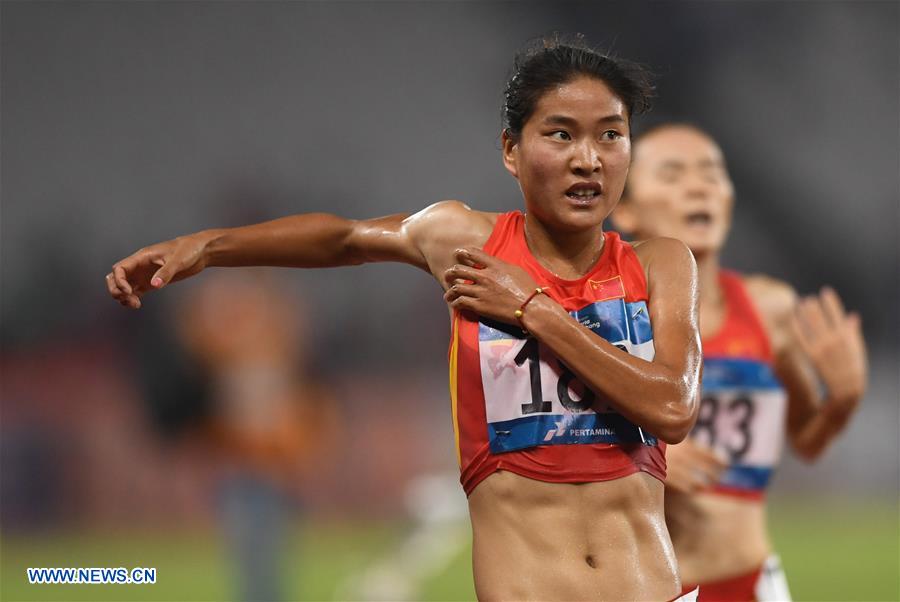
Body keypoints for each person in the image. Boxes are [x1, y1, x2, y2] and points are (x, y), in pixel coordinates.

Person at [107, 38, 703, 601]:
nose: (588, 159)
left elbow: (673, 407)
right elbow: (344, 238)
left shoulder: (659, 265)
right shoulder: (464, 243)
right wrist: (207, 247)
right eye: (561, 135)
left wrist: (533, 311)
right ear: (511, 151)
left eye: (610, 135)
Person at [611, 123, 868, 601]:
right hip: (645, 585)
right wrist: (649, 453)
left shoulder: (771, 310)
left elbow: (806, 442)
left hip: (749, 583)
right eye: (672, 173)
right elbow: (556, 448)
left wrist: (842, 401)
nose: (698, 185)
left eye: (712, 172)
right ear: (625, 209)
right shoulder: (605, 318)